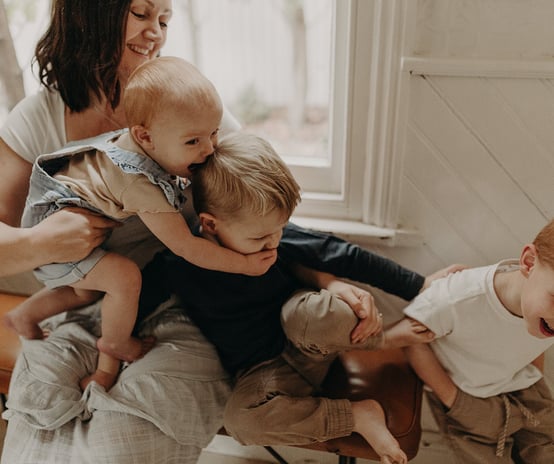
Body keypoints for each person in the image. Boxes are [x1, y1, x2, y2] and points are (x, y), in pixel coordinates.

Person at [0, 1, 459, 462]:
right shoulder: (38, 117)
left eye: (164, 19)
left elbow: (259, 221)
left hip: (181, 305)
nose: (155, 32)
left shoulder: (189, 110)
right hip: (83, 296)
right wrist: (43, 243)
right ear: (89, 12)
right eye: (141, 13)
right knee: (40, 416)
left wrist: (331, 280)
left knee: (123, 440)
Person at [140, 132, 438, 464]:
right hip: (266, 372)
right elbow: (137, 296)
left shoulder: (275, 235)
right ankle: (357, 415)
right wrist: (115, 346)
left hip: (308, 337)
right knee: (242, 422)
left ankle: (383, 339)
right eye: (261, 237)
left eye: (280, 229)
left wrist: (421, 285)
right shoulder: (177, 264)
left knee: (328, 311)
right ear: (210, 224)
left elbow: (345, 255)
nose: (274, 242)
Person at [3, 56, 275, 391]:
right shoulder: (138, 182)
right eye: (193, 141)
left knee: (84, 292)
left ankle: (25, 315)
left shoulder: (151, 142)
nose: (209, 149)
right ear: (144, 137)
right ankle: (115, 344)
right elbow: (186, 246)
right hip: (56, 230)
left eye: (214, 133)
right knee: (124, 277)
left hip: (61, 216)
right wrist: (244, 264)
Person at [401, 220, 554, 463]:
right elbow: (411, 340)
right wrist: (453, 399)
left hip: (525, 387)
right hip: (467, 395)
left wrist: (534, 373)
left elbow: (533, 338)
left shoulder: (541, 305)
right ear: (529, 263)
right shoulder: (460, 297)